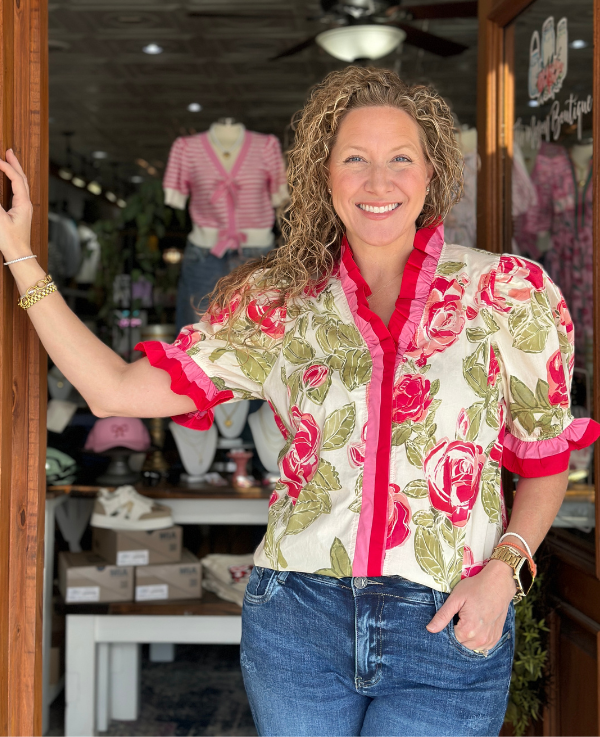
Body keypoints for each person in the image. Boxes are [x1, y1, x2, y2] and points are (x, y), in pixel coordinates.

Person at [1, 66, 598, 737]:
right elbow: (111, 388)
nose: (379, 181)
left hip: (449, 625)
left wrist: (504, 572)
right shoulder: (279, 306)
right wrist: (20, 255)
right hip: (299, 622)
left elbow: (546, 459)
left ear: (431, 174)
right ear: (324, 176)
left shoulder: (506, 295)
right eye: (355, 160)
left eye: (401, 158)